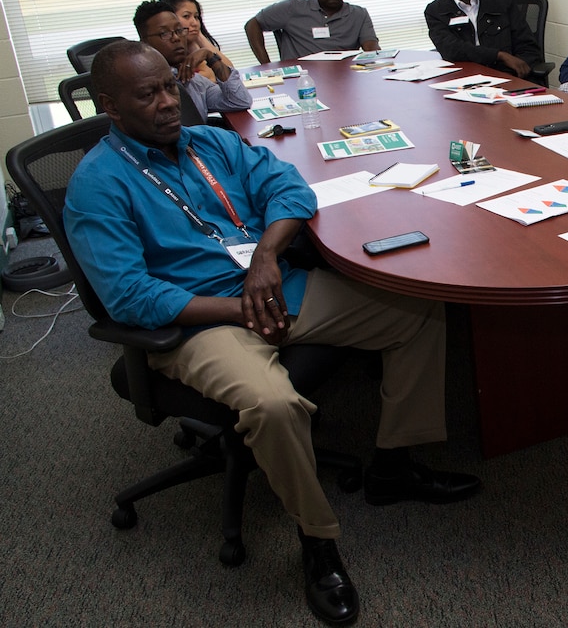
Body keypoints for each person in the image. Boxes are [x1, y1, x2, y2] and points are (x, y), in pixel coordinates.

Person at [64, 40, 481, 626]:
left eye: (169, 87)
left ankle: (394, 466)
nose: (166, 102)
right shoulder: (98, 185)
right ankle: (318, 541)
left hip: (275, 289)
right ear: (109, 105)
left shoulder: (210, 140)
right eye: (147, 95)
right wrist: (237, 310)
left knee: (417, 311)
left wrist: (265, 253)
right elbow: (130, 297)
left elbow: (291, 190)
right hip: (198, 320)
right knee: (275, 404)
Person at [134, 0, 251, 123]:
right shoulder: (141, 87)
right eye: (165, 33)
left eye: (179, 30)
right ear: (144, 42)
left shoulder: (192, 80)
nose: (176, 38)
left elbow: (240, 101)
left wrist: (210, 57)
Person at [245, 0, 379, 65]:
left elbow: (372, 48)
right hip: (302, 82)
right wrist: (266, 65)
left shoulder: (359, 14)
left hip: (344, 79)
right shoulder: (294, 8)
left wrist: (379, 59)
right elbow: (252, 25)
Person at [161, 0, 236, 83]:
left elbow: (230, 74)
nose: (194, 22)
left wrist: (199, 36)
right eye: (186, 16)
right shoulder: (172, 55)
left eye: (196, 17)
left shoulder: (195, 45)